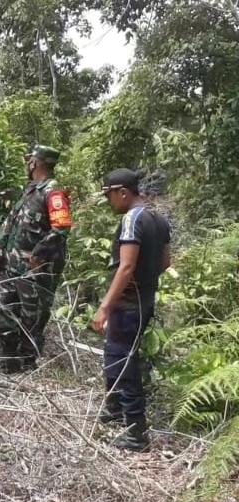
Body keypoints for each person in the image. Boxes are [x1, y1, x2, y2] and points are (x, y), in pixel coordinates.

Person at [92, 168, 170, 451]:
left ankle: (136, 433)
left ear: (122, 192)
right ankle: (114, 409)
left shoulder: (131, 219)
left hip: (127, 304)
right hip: (144, 300)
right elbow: (165, 262)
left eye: (110, 195)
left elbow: (125, 266)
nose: (109, 201)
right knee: (115, 355)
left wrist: (104, 307)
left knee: (123, 362)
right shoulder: (158, 219)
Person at [0, 145, 72, 372]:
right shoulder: (30, 190)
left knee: (31, 321)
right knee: (4, 316)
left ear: (35, 163)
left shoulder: (53, 193)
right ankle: (5, 367)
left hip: (35, 273)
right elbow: (12, 220)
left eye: (29, 161)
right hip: (12, 268)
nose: (27, 165)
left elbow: (61, 229)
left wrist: (38, 256)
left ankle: (25, 371)